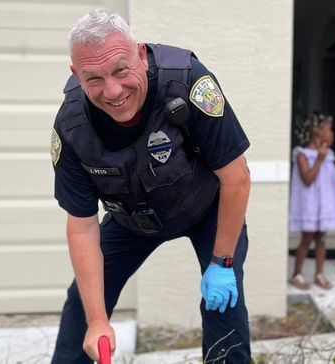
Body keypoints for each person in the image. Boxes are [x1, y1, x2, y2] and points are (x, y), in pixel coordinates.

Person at [49, 9, 251, 363]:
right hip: (132, 221)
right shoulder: (72, 128)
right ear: (76, 75)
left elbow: (236, 177)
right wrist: (98, 322)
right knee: (82, 312)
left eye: (120, 70)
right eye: (94, 78)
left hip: (208, 209)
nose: (112, 91)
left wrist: (222, 262)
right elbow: (81, 227)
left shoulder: (189, 83)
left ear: (141, 55)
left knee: (223, 310)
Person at [289, 113, 335, 290]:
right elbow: (307, 179)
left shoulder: (329, 154)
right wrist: (319, 159)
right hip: (309, 205)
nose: (332, 134)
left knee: (321, 239)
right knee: (306, 239)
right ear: (316, 132)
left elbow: (328, 180)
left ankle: (319, 274)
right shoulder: (302, 154)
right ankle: (296, 274)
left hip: (323, 205)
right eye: (329, 129)